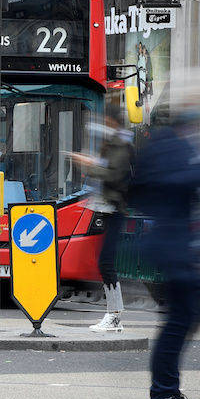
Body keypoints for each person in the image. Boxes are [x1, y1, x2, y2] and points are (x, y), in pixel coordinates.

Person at [129, 113, 200, 399]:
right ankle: (164, 393)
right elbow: (177, 181)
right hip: (171, 249)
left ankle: (165, 390)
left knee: (185, 318)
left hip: (179, 249)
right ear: (186, 126)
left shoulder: (174, 147)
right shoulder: (169, 146)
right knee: (179, 321)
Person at [70, 104, 135, 333]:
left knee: (106, 263)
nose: (103, 123)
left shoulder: (122, 145)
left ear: (112, 120)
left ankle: (115, 316)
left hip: (115, 209)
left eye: (105, 119)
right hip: (108, 208)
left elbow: (114, 175)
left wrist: (89, 165)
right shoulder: (114, 143)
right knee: (104, 262)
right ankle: (113, 315)